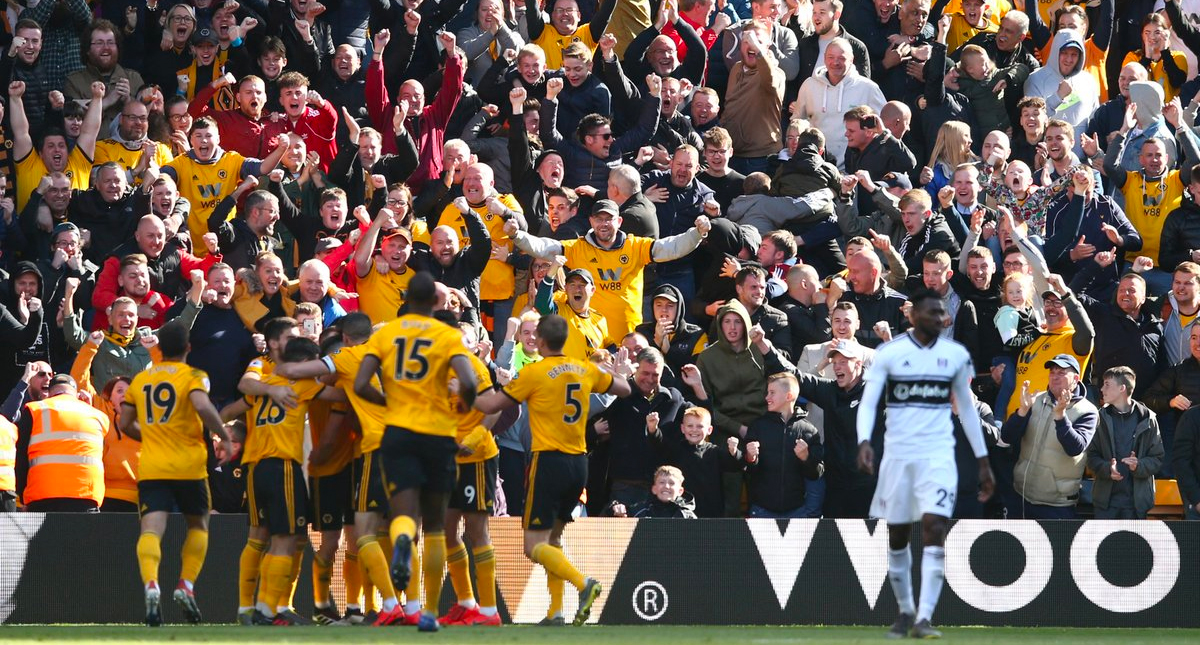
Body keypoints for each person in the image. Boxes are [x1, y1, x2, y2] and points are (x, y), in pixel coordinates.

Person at [474, 314, 632, 626]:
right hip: (578, 465)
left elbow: (491, 407)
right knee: (554, 540)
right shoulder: (584, 369)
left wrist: (466, 387)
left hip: (547, 462)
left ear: (542, 342)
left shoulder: (535, 372)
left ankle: (584, 584)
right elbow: (624, 390)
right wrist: (620, 374)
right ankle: (556, 611)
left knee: (533, 546)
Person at [855, 289, 994, 639]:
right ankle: (905, 610)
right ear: (913, 315)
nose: (939, 317)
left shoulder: (956, 355)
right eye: (931, 312)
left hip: (938, 456)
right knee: (898, 534)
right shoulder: (890, 353)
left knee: (934, 527)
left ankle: (925, 618)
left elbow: (969, 414)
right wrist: (864, 441)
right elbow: (869, 403)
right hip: (898, 457)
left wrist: (982, 461)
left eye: (942, 312)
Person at [352, 273, 478, 632]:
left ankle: (403, 540)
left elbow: (362, 384)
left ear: (407, 298)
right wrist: (462, 409)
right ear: (436, 303)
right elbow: (468, 383)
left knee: (403, 513)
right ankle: (427, 612)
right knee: (436, 525)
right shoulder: (447, 335)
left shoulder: (386, 333)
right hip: (437, 434)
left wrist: (388, 401)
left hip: (398, 433)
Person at [221, 333, 347, 626]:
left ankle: (246, 609)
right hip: (283, 468)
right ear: (304, 363)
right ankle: (268, 610)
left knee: (258, 537)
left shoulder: (262, 387)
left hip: (255, 468)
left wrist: (224, 440)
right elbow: (340, 396)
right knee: (286, 540)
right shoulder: (302, 385)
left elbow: (227, 412)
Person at [118, 320, 233, 627]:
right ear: (188, 348)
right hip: (190, 468)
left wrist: (153, 435)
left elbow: (125, 424)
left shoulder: (141, 380)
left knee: (151, 531)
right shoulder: (194, 375)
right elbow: (202, 405)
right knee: (198, 526)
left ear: (159, 348)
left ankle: (151, 584)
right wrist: (223, 434)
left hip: (153, 467)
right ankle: (186, 585)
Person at [437, 321, 502, 627]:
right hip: (447, 460)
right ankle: (466, 603)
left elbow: (495, 408)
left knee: (476, 531)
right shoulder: (432, 368)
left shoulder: (472, 366)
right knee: (447, 530)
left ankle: (489, 612)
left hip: (476, 458)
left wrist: (473, 439)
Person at [729, 371, 823, 518]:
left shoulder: (809, 431)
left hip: (797, 510)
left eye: (772, 392)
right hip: (761, 509)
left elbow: (817, 473)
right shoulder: (758, 426)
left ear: (789, 396)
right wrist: (751, 457)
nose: (767, 397)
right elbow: (748, 469)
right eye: (767, 392)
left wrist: (806, 458)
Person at [18, 374, 111, 513]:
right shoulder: (99, 416)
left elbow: (20, 458)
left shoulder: (35, 409)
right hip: (86, 497)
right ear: (75, 393)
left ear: (50, 393)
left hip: (43, 497)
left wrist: (22, 497)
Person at [1086, 366, 1164, 519]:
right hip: (1105, 505)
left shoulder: (1147, 418)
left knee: (1131, 544)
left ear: (1122, 388)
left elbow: (1157, 458)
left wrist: (1138, 465)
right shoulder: (1099, 418)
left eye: (1107, 384)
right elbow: (1091, 457)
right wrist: (1107, 468)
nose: (1101, 389)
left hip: (1136, 506)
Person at [608, 465, 698, 518]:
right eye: (662, 482)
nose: (666, 486)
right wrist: (615, 508)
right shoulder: (641, 511)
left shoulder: (687, 516)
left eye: (671, 483)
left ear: (680, 491)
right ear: (654, 489)